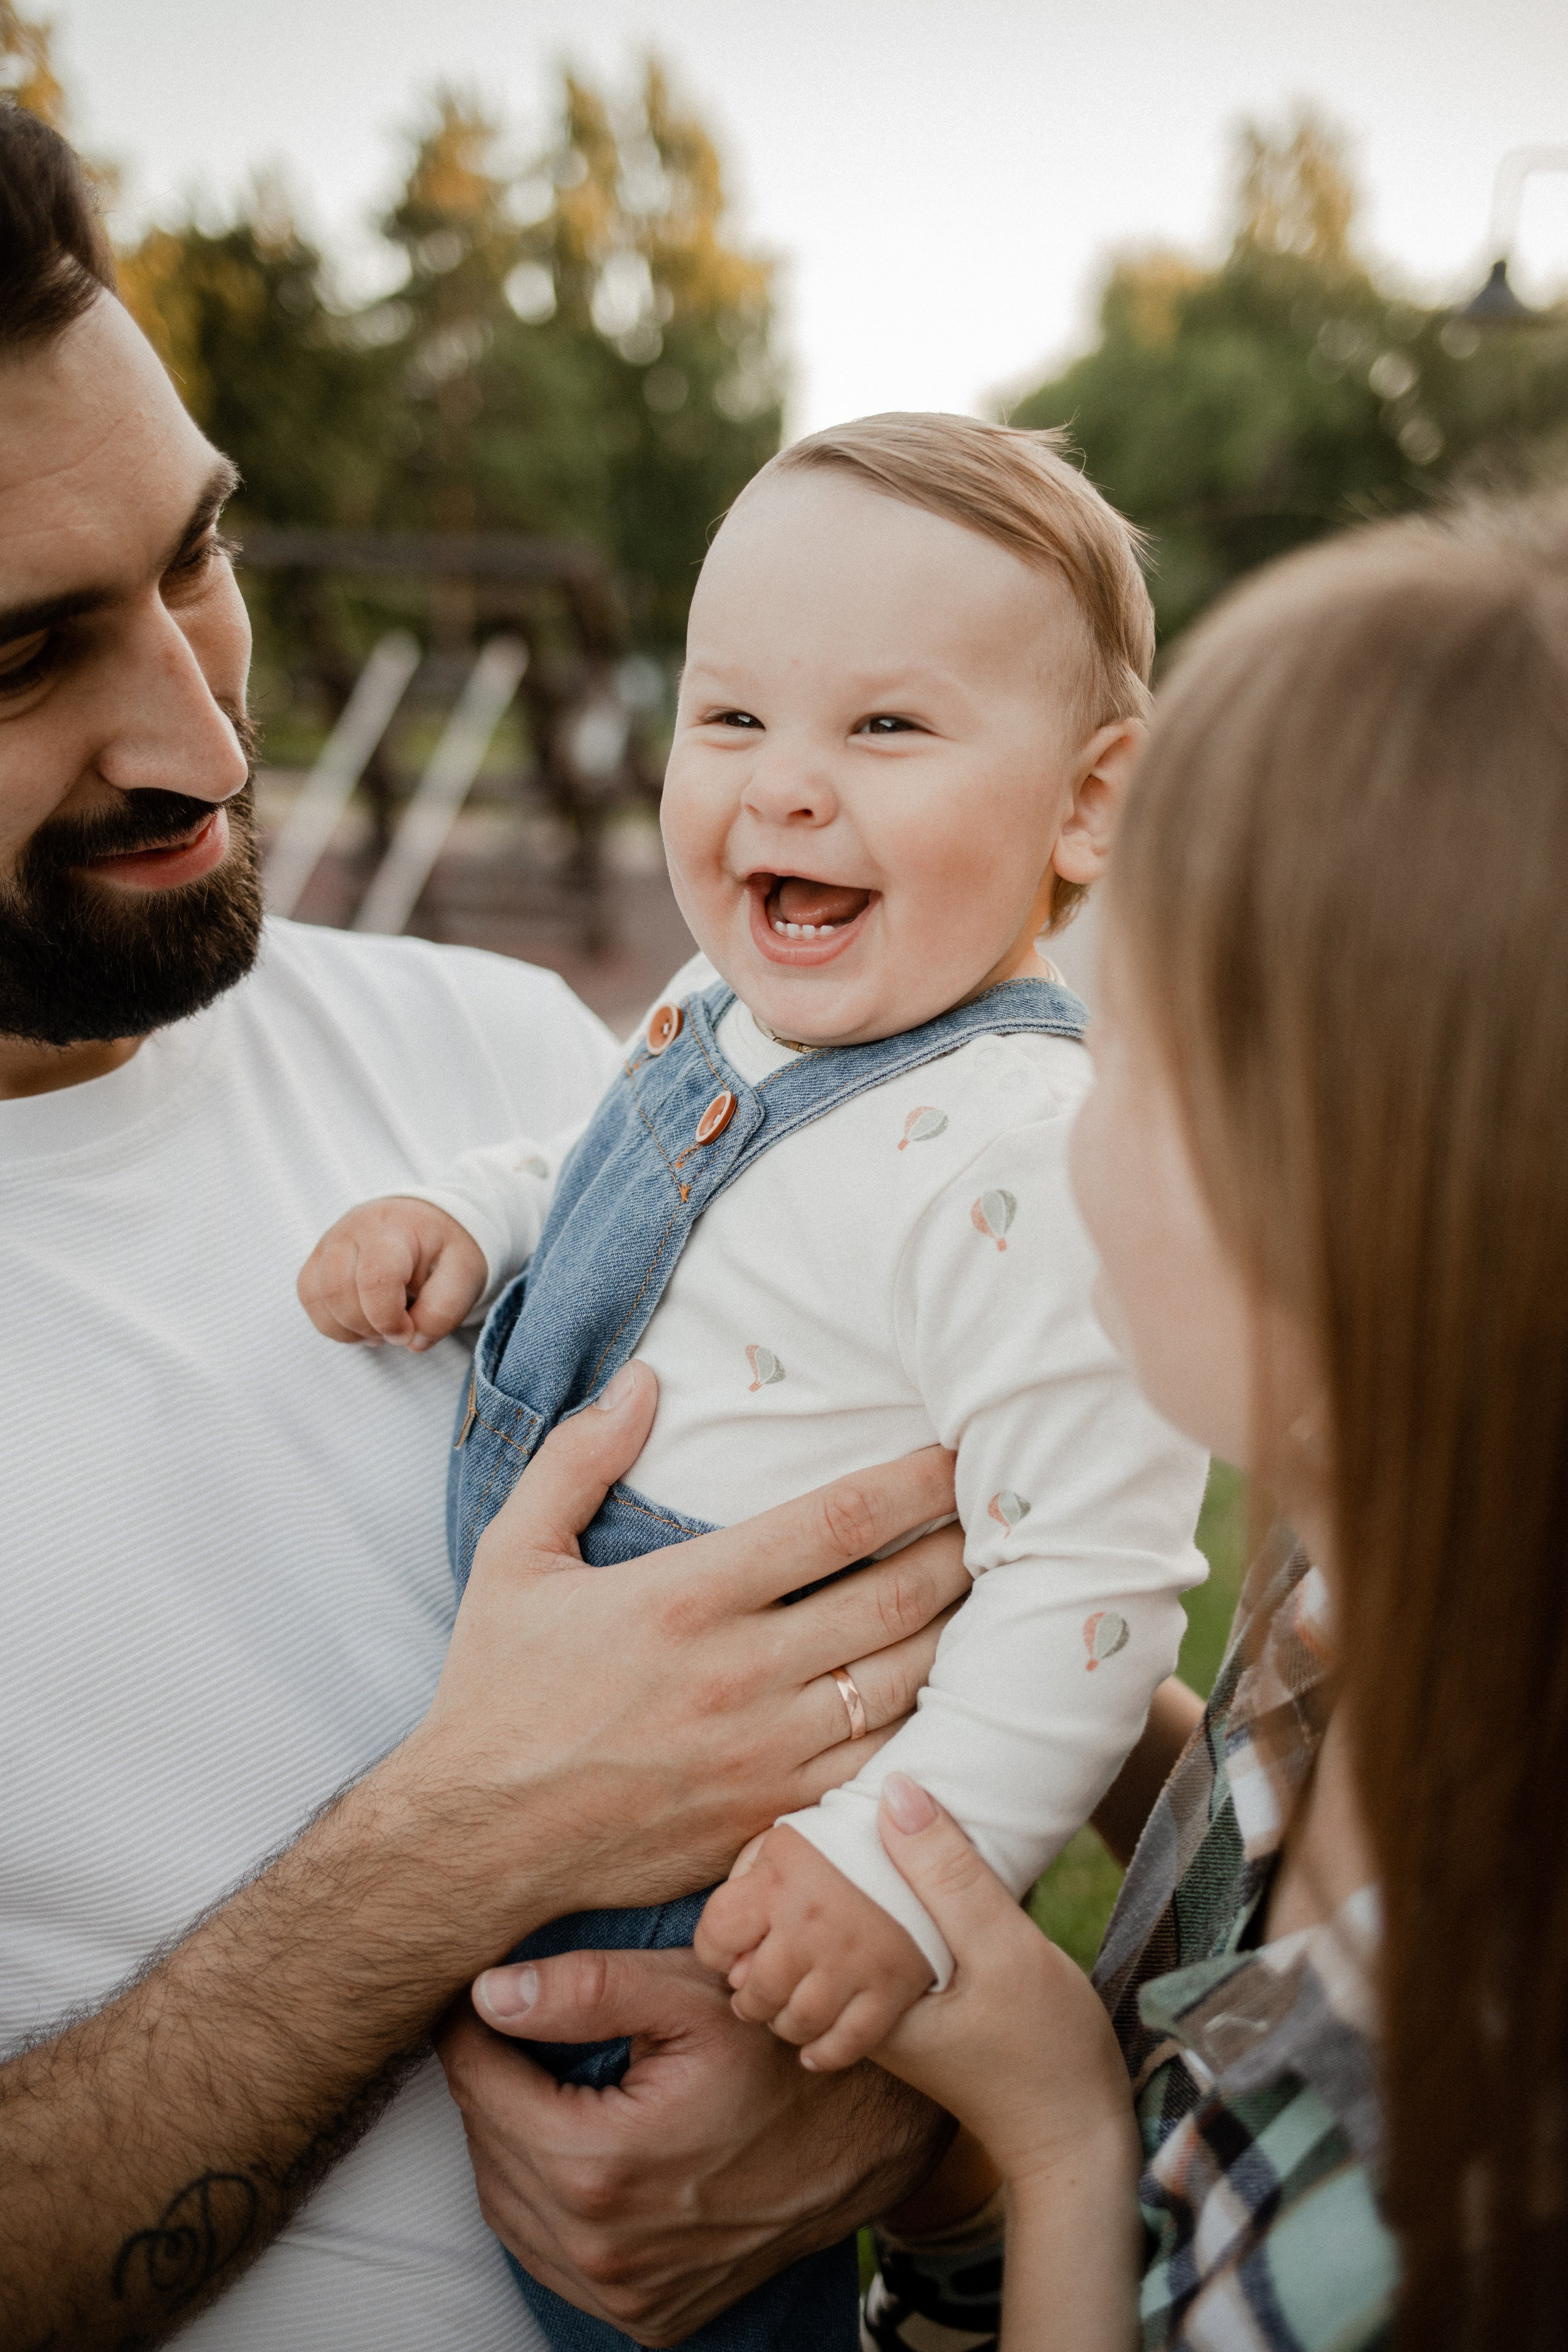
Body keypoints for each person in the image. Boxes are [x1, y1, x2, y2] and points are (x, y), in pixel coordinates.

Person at [0, 99, 979, 2351]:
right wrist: (472, 1833)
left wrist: (904, 2139)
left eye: (196, 557)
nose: (203, 738)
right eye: (22, 656)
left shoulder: (528, 1061)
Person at [587, 485, 1568, 2349]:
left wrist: (1045, 2134)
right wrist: (1015, 1699)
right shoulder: (1360, 1597)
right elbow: (1218, 1826)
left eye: (1142, 1050)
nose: (1066, 1096)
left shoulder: (1424, 2170)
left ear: (1386, 1196)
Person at [302, 416, 1210, 2347]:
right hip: (540, 1773)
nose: (785, 785)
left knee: (668, 2285)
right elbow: (606, 1165)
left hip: (722, 1895)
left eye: (885, 728)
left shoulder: (1030, 1157)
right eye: (730, 719)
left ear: (1088, 803)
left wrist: (887, 1869)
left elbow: (1089, 1592)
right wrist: (472, 1223)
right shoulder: (723, 1003)